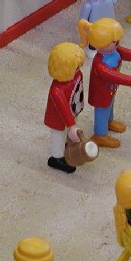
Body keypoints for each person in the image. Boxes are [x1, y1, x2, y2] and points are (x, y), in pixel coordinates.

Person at [77, 18, 131, 148]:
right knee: (102, 111)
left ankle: (109, 121)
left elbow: (127, 53)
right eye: (115, 42)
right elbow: (114, 76)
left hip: (111, 89)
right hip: (101, 94)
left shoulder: (114, 50)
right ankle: (100, 134)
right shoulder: (100, 65)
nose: (118, 44)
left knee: (110, 106)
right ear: (102, 44)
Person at [44, 42, 86, 174]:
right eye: (75, 66)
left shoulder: (77, 74)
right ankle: (57, 157)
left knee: (70, 130)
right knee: (57, 135)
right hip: (57, 118)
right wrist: (71, 125)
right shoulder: (56, 90)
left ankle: (69, 142)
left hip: (73, 109)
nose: (78, 68)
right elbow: (62, 108)